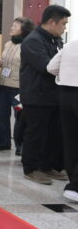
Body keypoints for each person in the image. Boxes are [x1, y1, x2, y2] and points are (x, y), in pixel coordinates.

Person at [21, 5, 71, 185]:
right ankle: (31, 168)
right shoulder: (33, 40)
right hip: (37, 96)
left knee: (52, 134)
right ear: (52, 22)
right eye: (63, 24)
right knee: (36, 134)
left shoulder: (55, 39)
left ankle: (47, 165)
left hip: (53, 96)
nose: (64, 28)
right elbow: (45, 66)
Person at [0, 17, 34, 153]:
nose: (12, 27)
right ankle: (3, 142)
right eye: (12, 25)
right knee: (1, 114)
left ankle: (20, 146)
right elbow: (8, 62)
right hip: (3, 85)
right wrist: (0, 63)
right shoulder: (8, 44)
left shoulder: (27, 45)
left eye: (15, 26)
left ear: (24, 29)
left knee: (19, 116)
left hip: (18, 87)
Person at [47, 38, 78, 203]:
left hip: (65, 94)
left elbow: (51, 67)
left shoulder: (71, 44)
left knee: (70, 140)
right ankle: (75, 187)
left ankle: (73, 182)